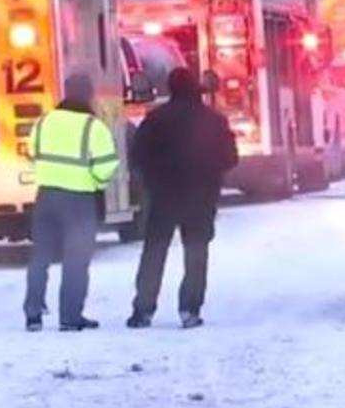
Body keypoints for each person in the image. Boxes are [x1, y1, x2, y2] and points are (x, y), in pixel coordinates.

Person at [128, 68, 238, 329]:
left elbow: (138, 155)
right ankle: (190, 309)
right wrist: (210, 173)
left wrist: (153, 177)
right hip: (201, 195)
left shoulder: (155, 119)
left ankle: (143, 310)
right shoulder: (214, 120)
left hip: (163, 194)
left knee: (154, 252)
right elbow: (230, 158)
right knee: (196, 252)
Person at [23, 73, 119, 332]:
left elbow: (32, 153)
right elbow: (106, 167)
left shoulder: (44, 122)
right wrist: (95, 183)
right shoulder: (93, 127)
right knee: (75, 260)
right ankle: (70, 316)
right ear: (88, 94)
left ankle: (33, 314)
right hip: (78, 200)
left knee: (40, 257)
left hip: (45, 196)